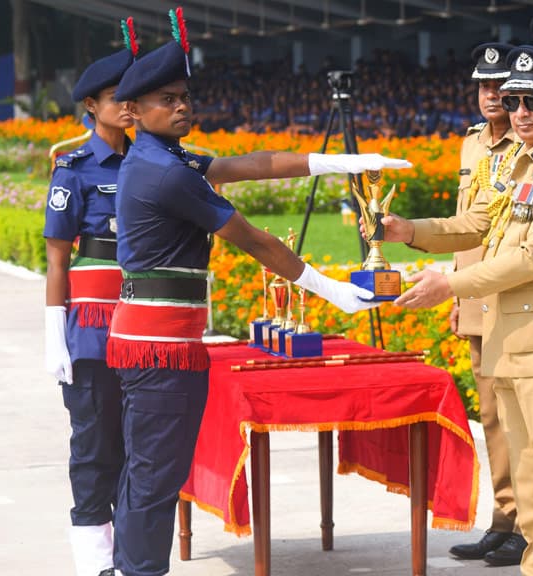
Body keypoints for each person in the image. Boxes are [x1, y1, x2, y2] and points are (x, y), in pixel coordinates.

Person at [107, 40, 410, 576]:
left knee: (148, 467)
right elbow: (253, 239)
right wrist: (332, 290)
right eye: (167, 99)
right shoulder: (166, 171)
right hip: (161, 341)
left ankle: (129, 567)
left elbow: (249, 164)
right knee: (157, 472)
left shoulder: (162, 156)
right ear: (132, 112)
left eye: (184, 96)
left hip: (154, 335)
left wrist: (339, 163)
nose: (182, 107)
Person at [381, 45, 533, 576]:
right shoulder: (516, 163)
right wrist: (408, 231)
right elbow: (475, 223)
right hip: (513, 340)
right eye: (514, 100)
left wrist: (450, 284)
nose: (521, 112)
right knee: (529, 481)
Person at [43, 49, 135, 576]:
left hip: (144, 328)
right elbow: (58, 259)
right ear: (91, 105)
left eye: (131, 97)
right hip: (93, 334)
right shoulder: (73, 171)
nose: (126, 106)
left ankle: (131, 557)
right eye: (115, 98)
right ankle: (94, 561)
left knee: (136, 452)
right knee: (94, 449)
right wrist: (55, 336)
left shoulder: (148, 163)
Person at [445, 41, 527, 569]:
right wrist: (456, 292)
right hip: (477, 292)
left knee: (524, 416)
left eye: (500, 86)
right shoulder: (472, 145)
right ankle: (504, 519)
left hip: (517, 294)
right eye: (484, 86)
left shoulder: (530, 143)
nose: (491, 95)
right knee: (493, 417)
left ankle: (532, 525)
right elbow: (463, 224)